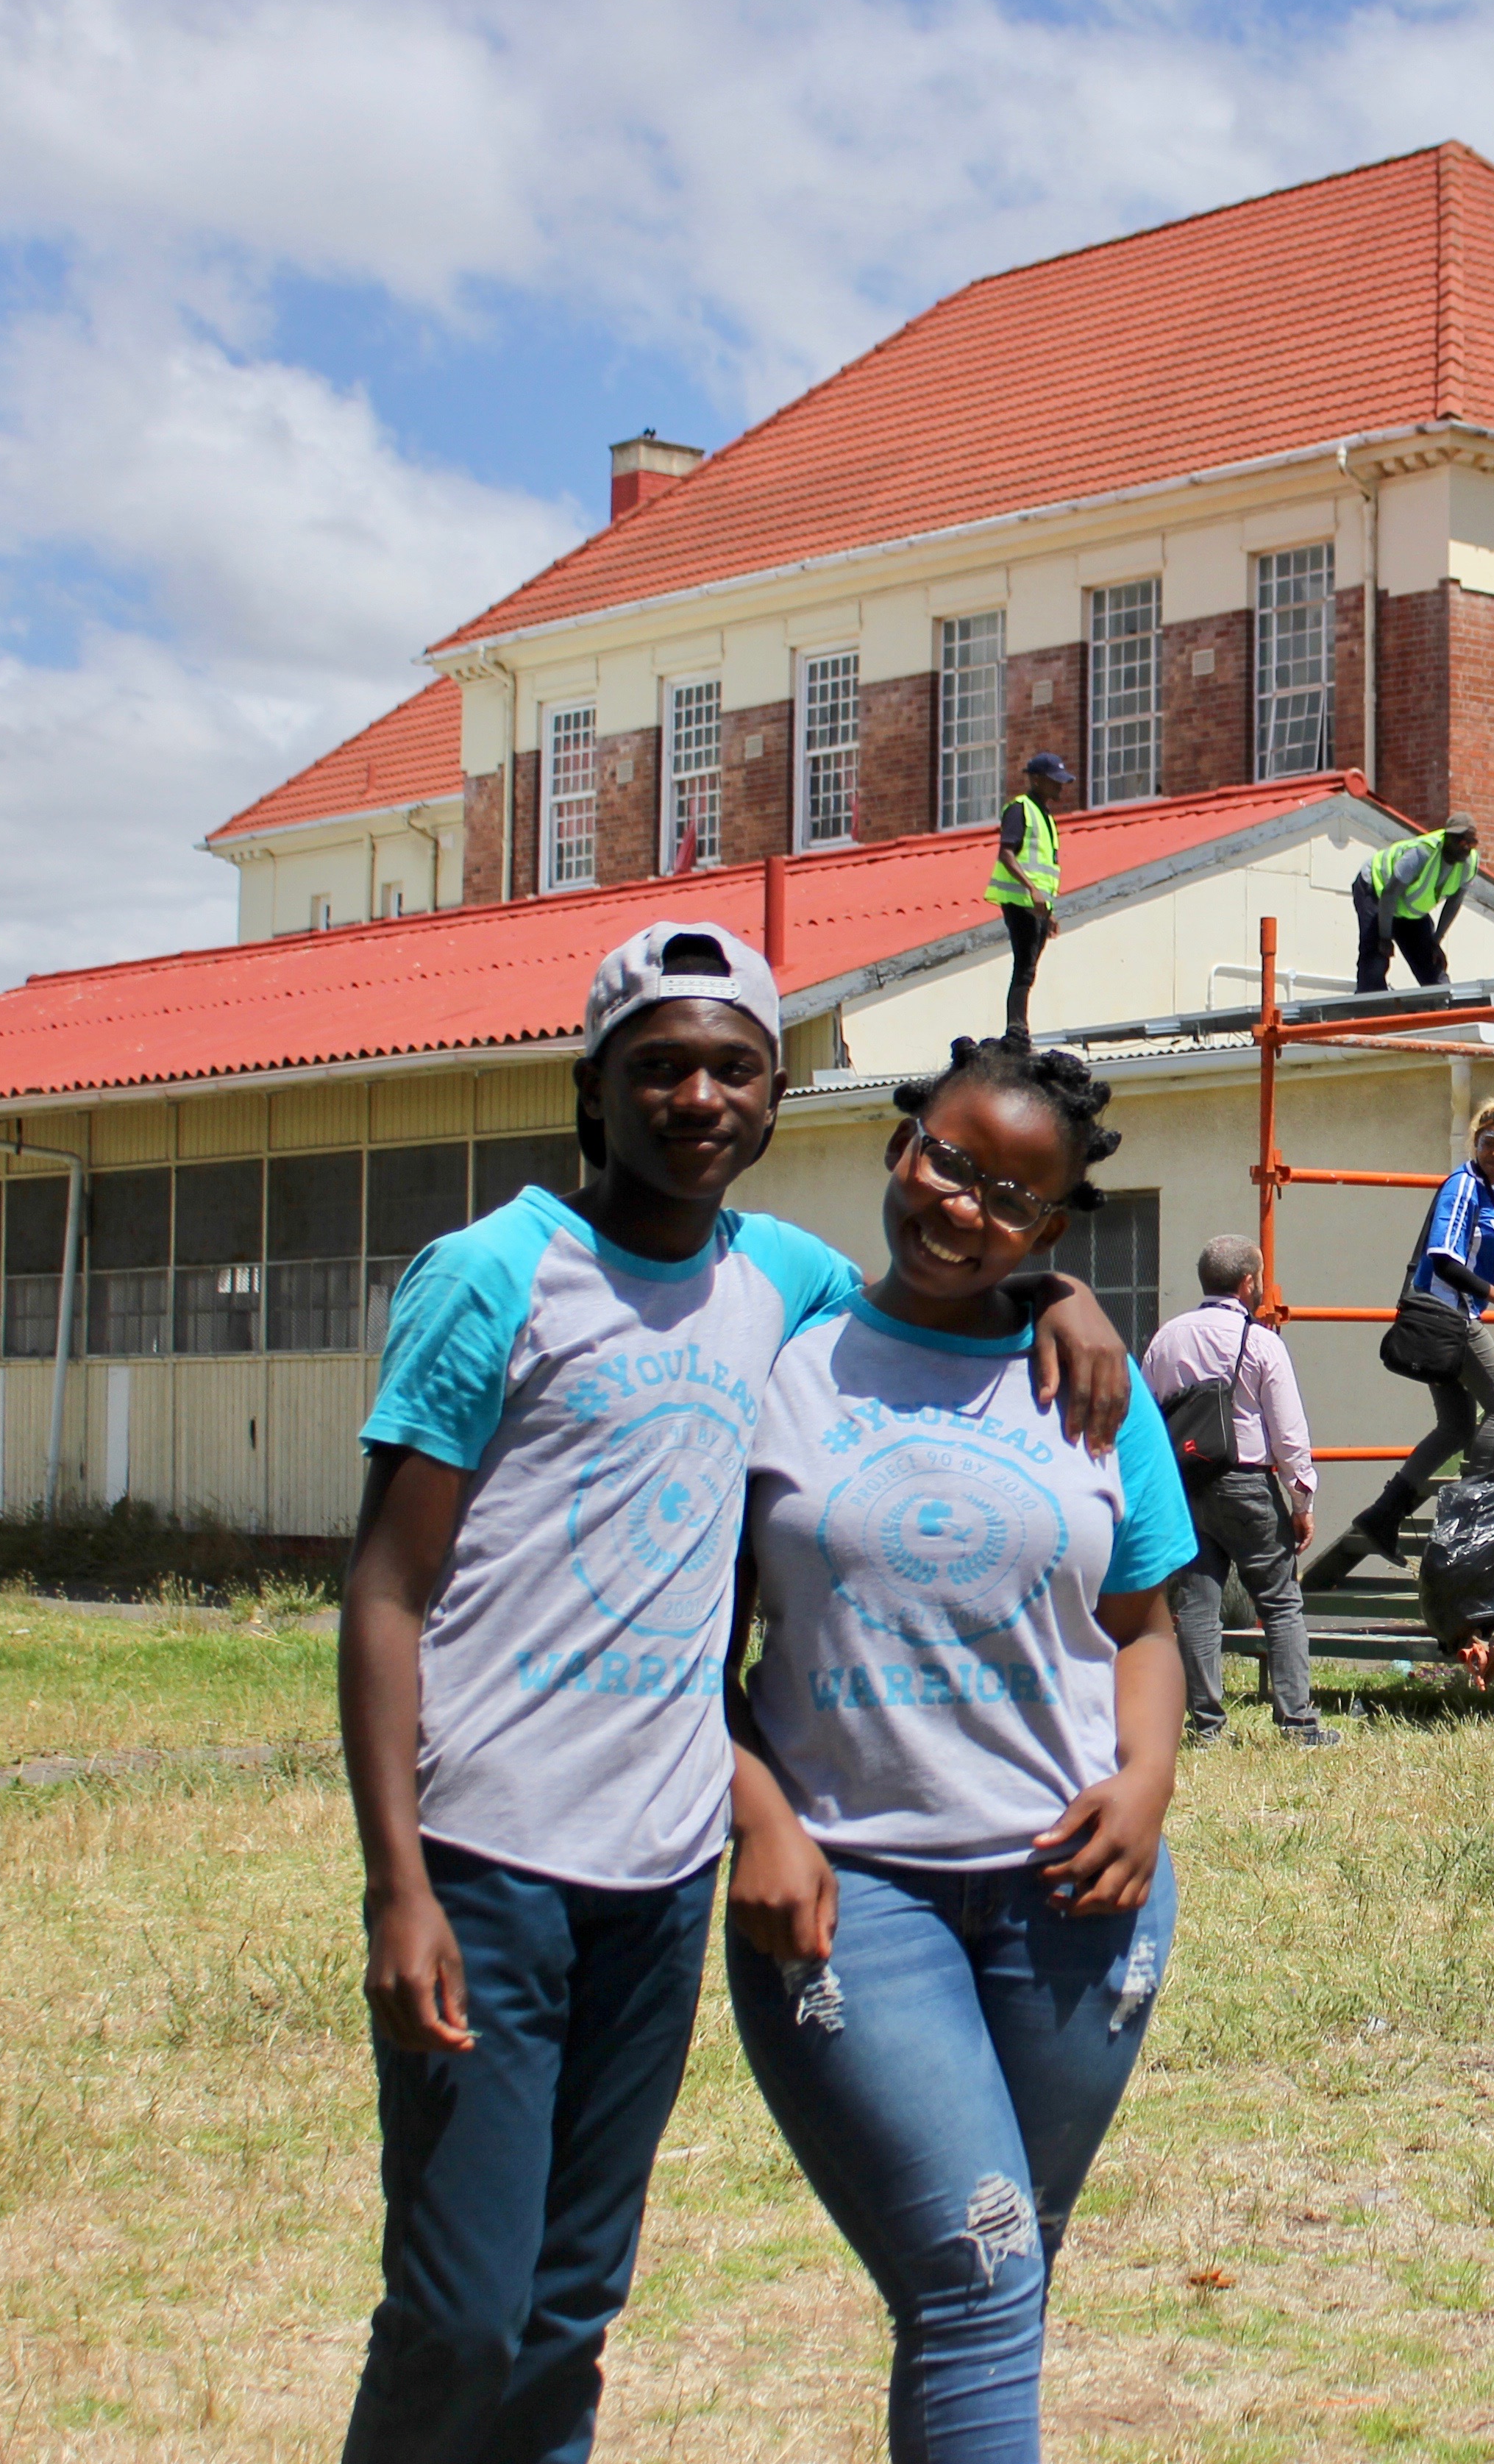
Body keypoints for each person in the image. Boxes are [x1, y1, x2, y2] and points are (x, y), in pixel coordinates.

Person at [334, 923, 1131, 2463]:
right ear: (596, 1088)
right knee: (461, 2309)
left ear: (775, 1097)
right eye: (659, 1067)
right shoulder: (496, 1273)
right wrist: (397, 1885)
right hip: (487, 1863)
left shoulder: (783, 1279)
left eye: (732, 1068)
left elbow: (951, 1281)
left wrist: (1060, 1296)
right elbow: (385, 1590)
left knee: (570, 2304)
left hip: (657, 1871)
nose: (697, 1096)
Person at [723, 1036, 1192, 2461]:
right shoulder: (780, 1367)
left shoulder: (1093, 1391)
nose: (962, 1203)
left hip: (1076, 1898)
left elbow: (1147, 1628)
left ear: (1051, 1231)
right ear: (896, 1143)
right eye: (946, 1156)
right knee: (979, 2276)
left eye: (1010, 1196)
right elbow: (694, 1655)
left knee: (996, 2277)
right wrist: (762, 1821)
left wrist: (1149, 1786)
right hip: (848, 1896)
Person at [1306, 1101, 1494, 1588]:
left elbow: (1477, 1255)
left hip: (1458, 1315)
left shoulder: (1493, 1191)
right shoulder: (1465, 1184)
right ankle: (1471, 1515)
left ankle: (1382, 1517)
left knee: (1455, 1426)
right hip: (1448, 1317)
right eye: (1490, 1143)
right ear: (1475, 1141)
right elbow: (1444, 1257)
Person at [1142, 1235, 1338, 1750]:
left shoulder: (1167, 1338)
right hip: (1247, 1483)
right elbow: (1289, 1435)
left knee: (1196, 1606)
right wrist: (1302, 1501)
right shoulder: (1262, 1342)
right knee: (1279, 1601)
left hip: (1184, 1485)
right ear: (1248, 1282)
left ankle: (1206, 1728)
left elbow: (1145, 1418)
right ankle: (1297, 1722)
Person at [986, 753, 1073, 1047]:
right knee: (1024, 965)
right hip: (1020, 901)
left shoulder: (1045, 816)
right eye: (1055, 782)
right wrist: (1031, 891)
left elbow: (1046, 871)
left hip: (1037, 907)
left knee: (1030, 968)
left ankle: (1020, 1027)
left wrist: (1048, 912)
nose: (1061, 788)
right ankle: (1016, 1029)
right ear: (1036, 780)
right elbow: (1006, 853)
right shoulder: (1021, 809)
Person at [1351, 816, 1476, 995]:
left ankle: (1443, 1001)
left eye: (1471, 842)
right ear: (1447, 838)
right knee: (1377, 956)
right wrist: (1385, 937)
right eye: (1461, 840)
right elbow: (1389, 894)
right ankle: (1371, 1006)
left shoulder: (1469, 865)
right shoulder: (1423, 853)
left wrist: (1436, 941)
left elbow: (1454, 903)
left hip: (1406, 907)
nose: (1466, 847)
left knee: (1430, 957)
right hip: (1376, 889)